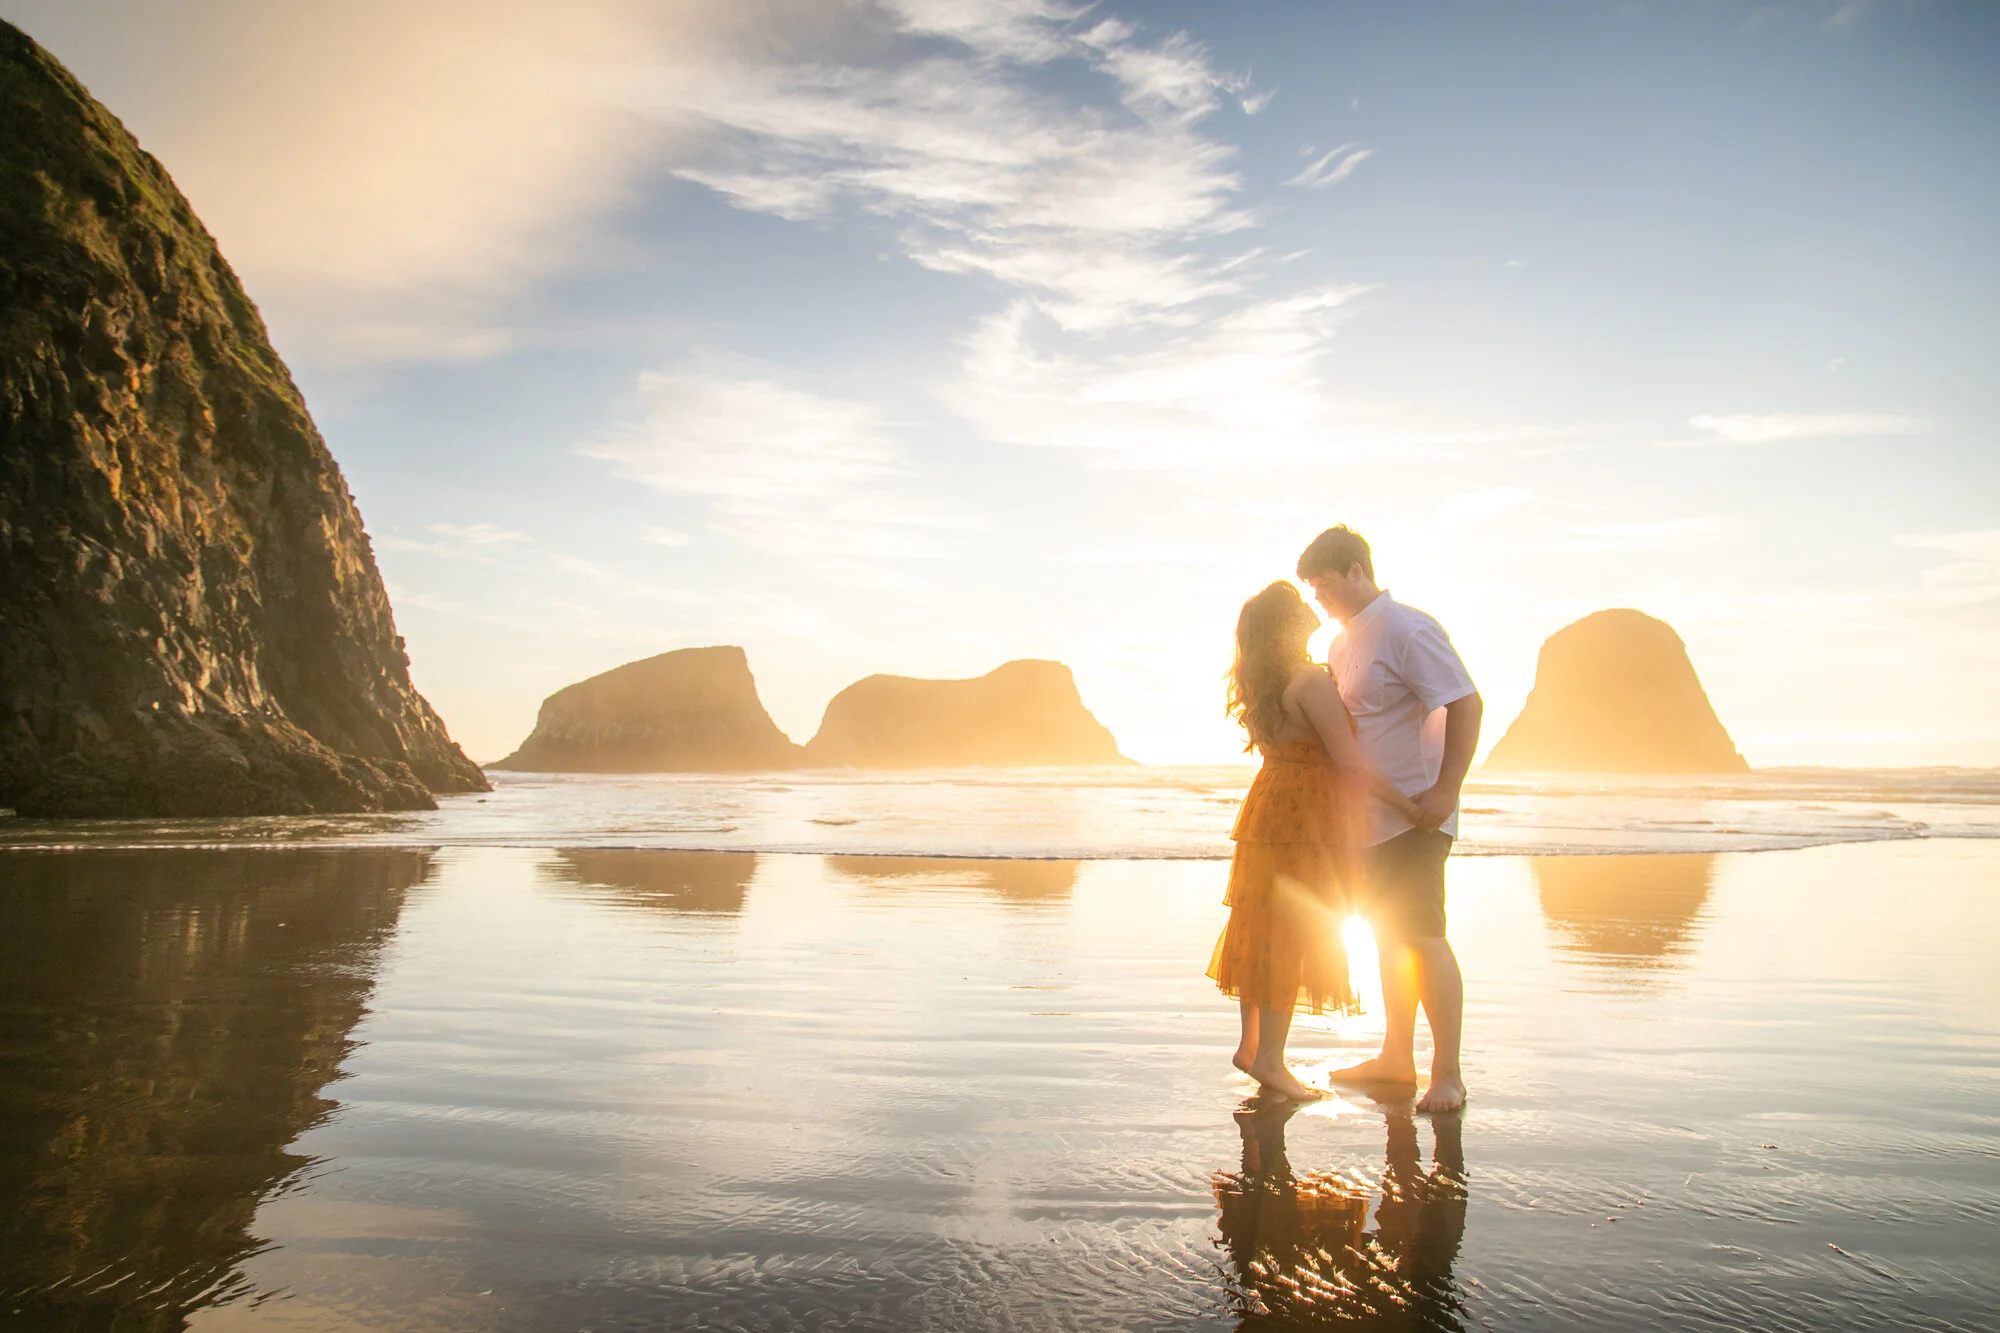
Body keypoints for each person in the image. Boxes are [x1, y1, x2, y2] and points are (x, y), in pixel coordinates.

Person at [1208, 582, 1421, 1101]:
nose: (1310, 607)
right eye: (1298, 605)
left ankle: (1251, 1044)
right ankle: (1270, 1060)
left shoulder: (1265, 684)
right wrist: (1410, 805)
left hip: (1268, 807)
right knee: (1294, 931)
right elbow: (1348, 761)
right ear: (1286, 624)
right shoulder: (1309, 681)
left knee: (1261, 922)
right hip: (1304, 816)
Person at [1298, 526, 1482, 1113]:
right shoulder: (1340, 644)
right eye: (1311, 590)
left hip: (1416, 815)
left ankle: (1446, 1073)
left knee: (1425, 938)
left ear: (1357, 570)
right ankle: (1395, 1057)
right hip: (1368, 821)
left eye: (1324, 585)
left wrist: (1445, 790)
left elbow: (1465, 701)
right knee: (1385, 937)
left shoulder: (1408, 627)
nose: (1318, 599)